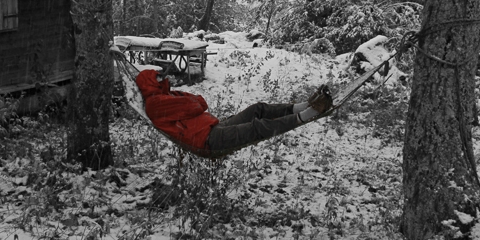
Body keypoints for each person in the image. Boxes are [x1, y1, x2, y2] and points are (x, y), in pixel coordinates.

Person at [135, 69, 333, 153]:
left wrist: (186, 103)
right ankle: (307, 115)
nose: (163, 79)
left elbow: (198, 103)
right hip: (208, 140)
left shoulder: (167, 96)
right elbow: (199, 104)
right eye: (158, 78)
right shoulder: (156, 104)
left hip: (213, 127)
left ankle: (304, 105)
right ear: (150, 83)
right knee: (257, 127)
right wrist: (189, 103)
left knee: (258, 109)